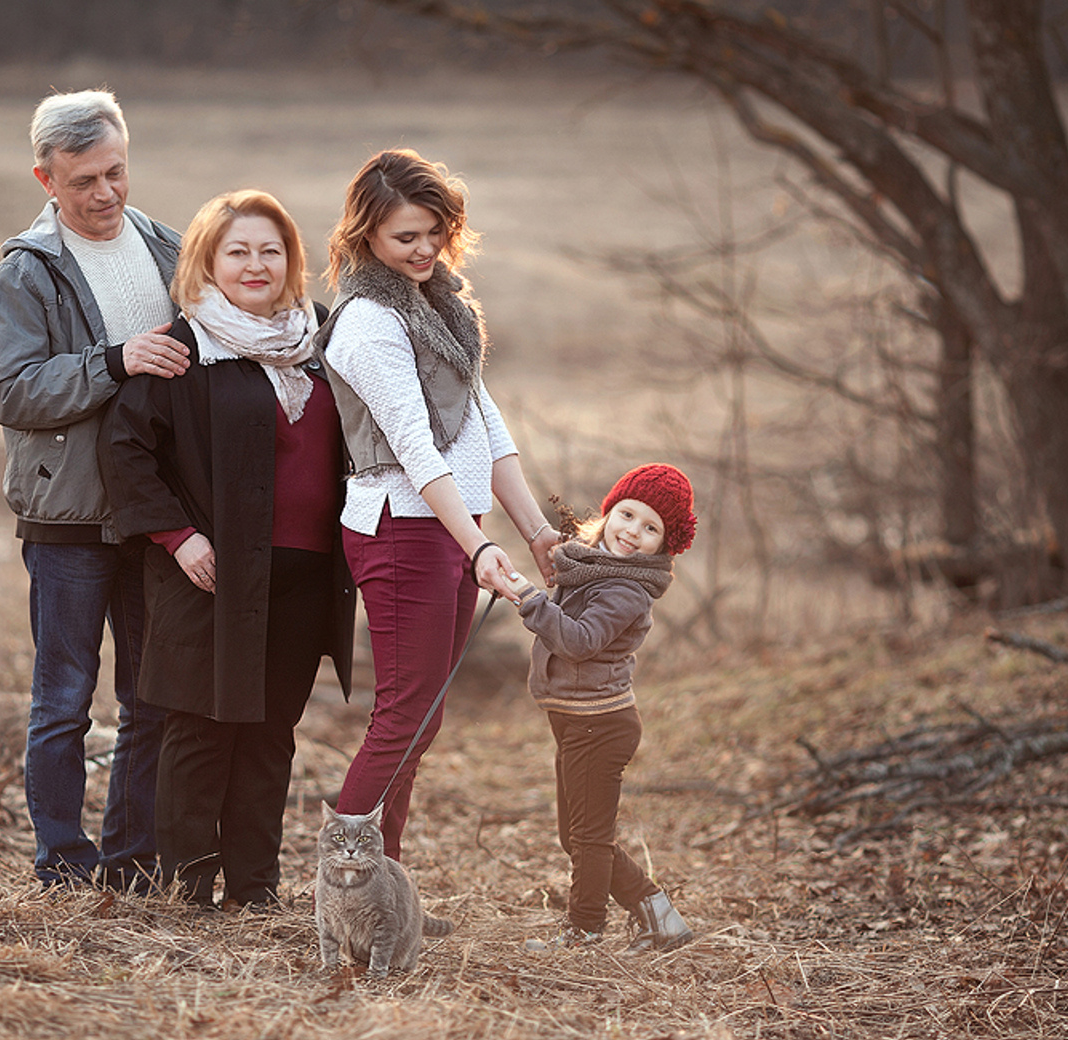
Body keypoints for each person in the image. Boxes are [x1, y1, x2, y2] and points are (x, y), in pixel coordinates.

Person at [98, 190, 355, 911]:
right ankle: (190, 887)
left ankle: (254, 887)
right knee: (201, 727)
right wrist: (179, 539)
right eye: (238, 250)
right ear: (209, 260)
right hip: (209, 573)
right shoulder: (185, 346)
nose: (256, 264)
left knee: (272, 733)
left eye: (271, 250)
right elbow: (127, 451)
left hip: (306, 577)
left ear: (291, 261)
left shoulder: (322, 340)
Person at [315, 147, 560, 862]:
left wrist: (535, 532)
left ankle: (383, 877)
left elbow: (484, 425)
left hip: (448, 525)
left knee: (423, 718)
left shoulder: (439, 306)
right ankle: (343, 885)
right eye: (405, 237)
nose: (424, 250)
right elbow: (418, 452)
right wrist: (479, 546)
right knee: (402, 715)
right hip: (401, 528)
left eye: (433, 232)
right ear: (366, 237)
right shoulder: (368, 323)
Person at [0, 88, 189, 891]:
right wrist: (114, 361)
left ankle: (131, 861)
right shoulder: (24, 275)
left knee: (150, 697)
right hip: (66, 519)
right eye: (82, 182)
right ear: (45, 179)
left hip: (157, 518)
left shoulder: (170, 248)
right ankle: (62, 864)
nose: (104, 195)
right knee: (66, 700)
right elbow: (11, 392)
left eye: (115, 172)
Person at [507, 463, 698, 952]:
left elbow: (579, 639)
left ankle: (584, 929)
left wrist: (529, 598)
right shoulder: (591, 564)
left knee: (589, 839)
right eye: (628, 514)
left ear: (664, 545)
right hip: (573, 720)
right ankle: (659, 915)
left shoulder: (626, 589)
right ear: (610, 510)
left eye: (650, 528)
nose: (632, 532)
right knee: (576, 837)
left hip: (600, 724)